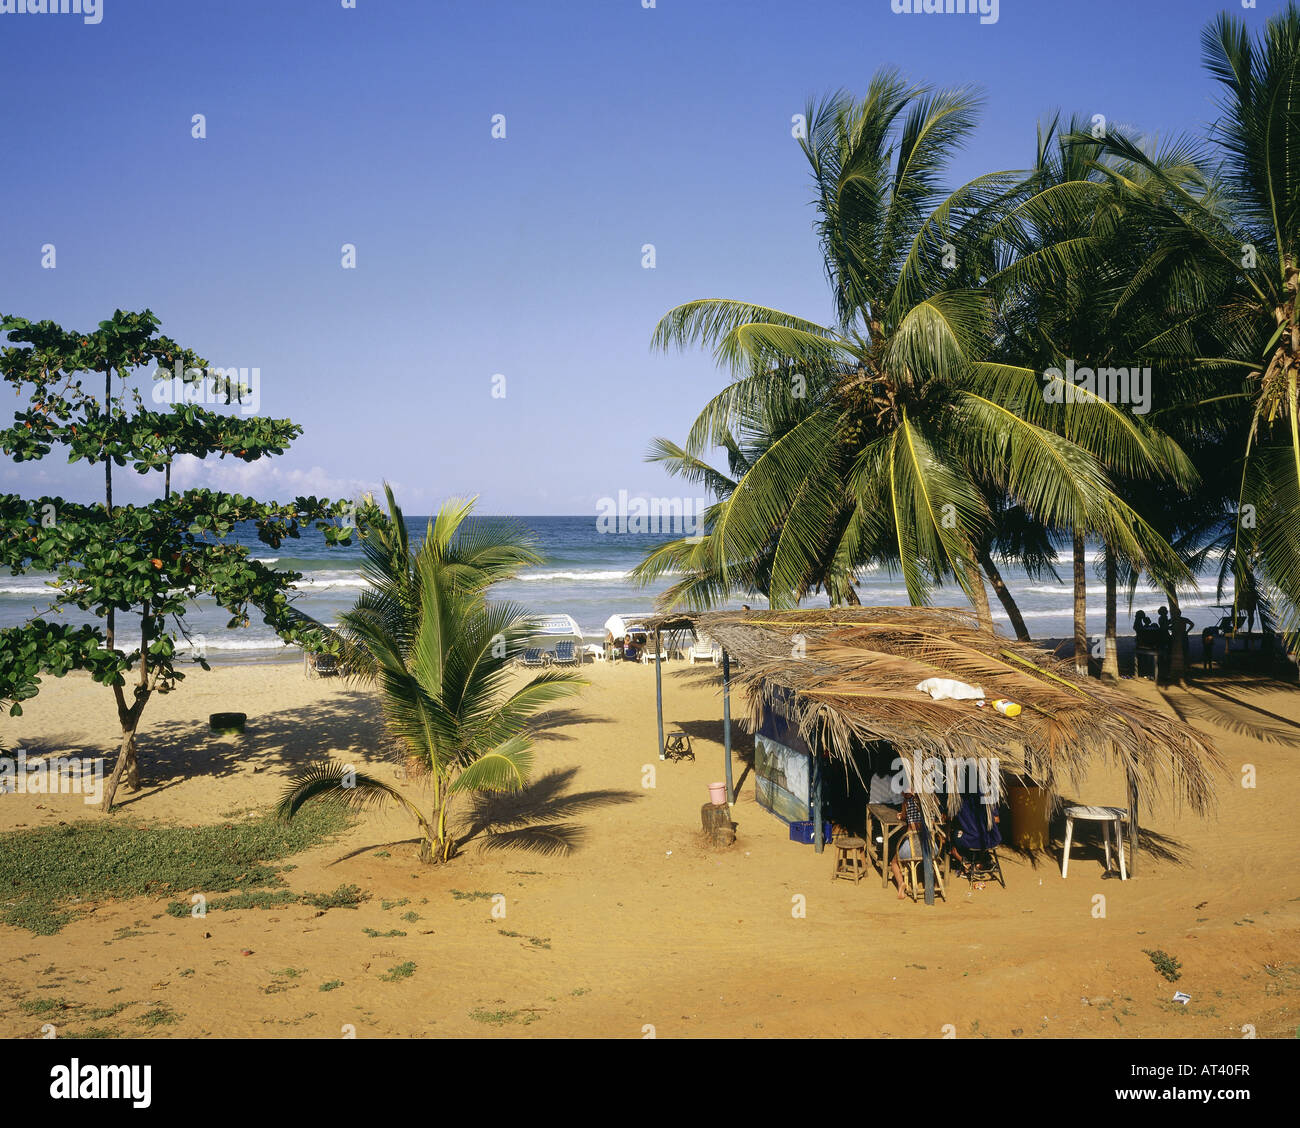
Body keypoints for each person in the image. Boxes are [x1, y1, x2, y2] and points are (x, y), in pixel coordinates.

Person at [889, 787, 926, 900]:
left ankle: (901, 884)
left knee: (894, 863)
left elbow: (904, 817)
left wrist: (901, 815)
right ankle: (933, 881)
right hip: (930, 848)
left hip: (912, 848)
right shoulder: (928, 803)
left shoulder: (907, 803)